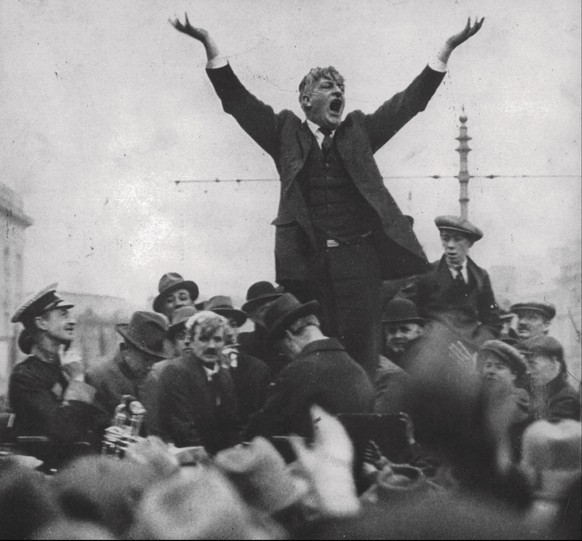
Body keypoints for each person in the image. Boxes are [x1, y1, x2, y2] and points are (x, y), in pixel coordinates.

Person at [170, 14, 484, 377]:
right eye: (327, 86)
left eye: (341, 87)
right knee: (320, 355)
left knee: (362, 358)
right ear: (305, 99)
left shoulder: (359, 132)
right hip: (311, 266)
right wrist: (209, 44)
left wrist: (446, 49)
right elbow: (239, 103)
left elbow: (407, 105)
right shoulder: (284, 132)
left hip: (361, 265)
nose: (338, 92)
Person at [246, 294, 374, 440]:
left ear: (289, 337)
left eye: (282, 350)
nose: (288, 357)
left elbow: (262, 428)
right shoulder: (357, 369)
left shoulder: (297, 371)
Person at [8, 284, 106, 457]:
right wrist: (77, 381)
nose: (72, 321)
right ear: (41, 323)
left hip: (79, 462)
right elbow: (65, 430)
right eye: (63, 315)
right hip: (47, 470)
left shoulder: (65, 368)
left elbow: (93, 419)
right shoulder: (24, 376)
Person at [158, 311, 241, 453]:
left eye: (217, 339)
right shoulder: (176, 371)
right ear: (190, 341)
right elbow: (184, 431)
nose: (211, 346)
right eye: (203, 339)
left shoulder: (224, 375)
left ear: (225, 342)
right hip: (188, 457)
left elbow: (231, 425)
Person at [86, 311, 168, 419]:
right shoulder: (97, 376)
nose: (150, 366)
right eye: (146, 359)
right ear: (127, 348)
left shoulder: (154, 381)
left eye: (155, 361)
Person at [205, 295, 271, 425]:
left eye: (233, 325)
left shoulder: (256, 370)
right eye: (220, 325)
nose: (229, 333)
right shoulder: (191, 370)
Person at [373, 298, 421, 415]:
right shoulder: (381, 366)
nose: (397, 335)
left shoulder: (427, 362)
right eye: (392, 331)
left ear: (419, 331)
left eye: (405, 330)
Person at [519, 335, 580, 422]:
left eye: (533, 364)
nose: (528, 371)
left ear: (554, 362)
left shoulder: (567, 399)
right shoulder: (527, 388)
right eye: (526, 364)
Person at [238, 281, 287, 379]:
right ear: (252, 316)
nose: (270, 313)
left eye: (274, 307)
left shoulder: (289, 336)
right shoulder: (246, 343)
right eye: (264, 309)